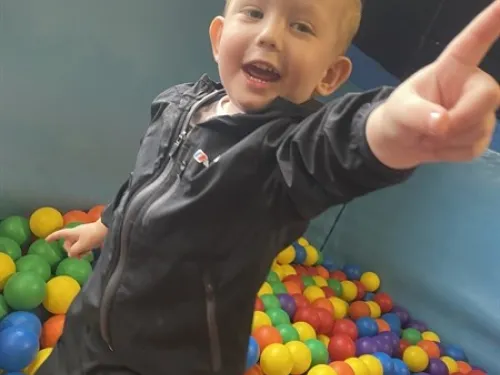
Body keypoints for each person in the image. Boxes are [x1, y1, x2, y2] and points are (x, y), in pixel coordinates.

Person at [38, 0, 499, 374]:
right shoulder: (177, 104)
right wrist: (106, 224)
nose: (270, 35)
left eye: (301, 26)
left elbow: (332, 150)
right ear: (219, 38)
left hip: (167, 360)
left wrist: (387, 128)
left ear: (329, 76)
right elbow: (144, 180)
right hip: (89, 325)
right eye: (255, 13)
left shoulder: (280, 158)